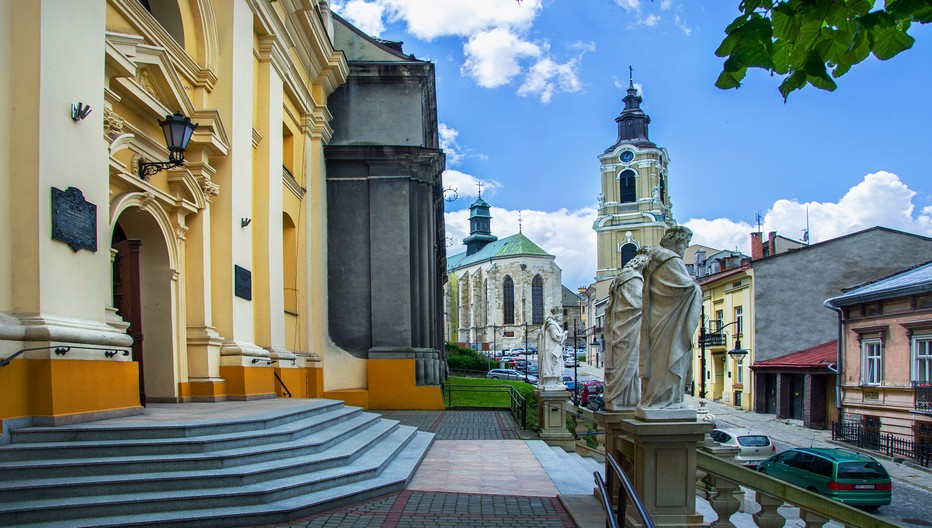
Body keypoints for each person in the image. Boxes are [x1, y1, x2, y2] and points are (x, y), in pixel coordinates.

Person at [638, 226, 701, 410]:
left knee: (660, 361)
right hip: (670, 322)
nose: (685, 248)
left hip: (658, 319)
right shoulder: (671, 260)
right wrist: (697, 288)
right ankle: (666, 400)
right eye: (685, 243)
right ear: (677, 241)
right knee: (667, 361)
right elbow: (686, 288)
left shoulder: (654, 261)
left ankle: (662, 398)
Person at [603, 253, 648, 410]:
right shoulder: (632, 278)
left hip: (622, 328)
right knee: (629, 365)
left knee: (629, 366)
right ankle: (626, 398)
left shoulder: (622, 278)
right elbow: (638, 304)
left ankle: (626, 397)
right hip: (629, 329)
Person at [540, 307, 567, 390]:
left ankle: (555, 381)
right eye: (560, 316)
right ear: (556, 315)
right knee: (553, 366)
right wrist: (564, 334)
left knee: (556, 365)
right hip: (552, 350)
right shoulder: (551, 324)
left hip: (554, 349)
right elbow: (556, 336)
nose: (561, 318)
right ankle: (552, 381)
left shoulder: (552, 323)